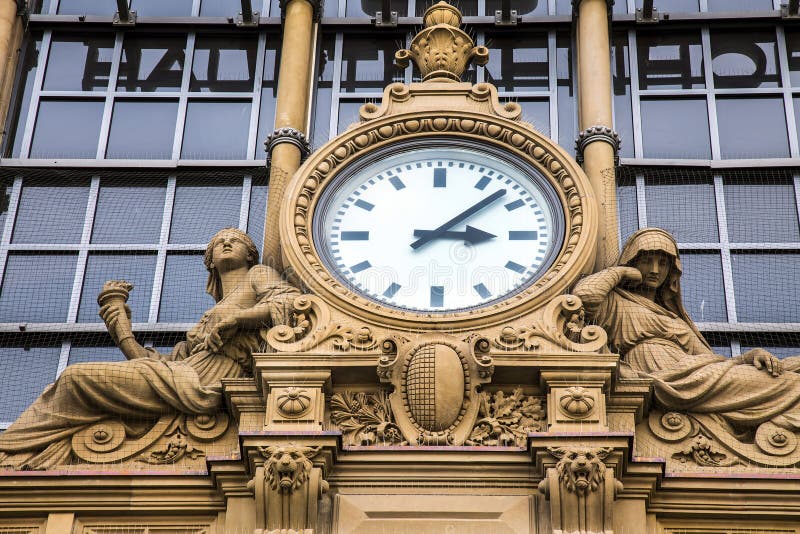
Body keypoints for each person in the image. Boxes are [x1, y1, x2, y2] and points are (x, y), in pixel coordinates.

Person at [0, 228, 301, 470]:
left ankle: (12, 449)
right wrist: (122, 332)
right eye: (218, 242)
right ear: (209, 261)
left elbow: (288, 303)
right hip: (184, 374)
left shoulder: (258, 275)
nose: (225, 243)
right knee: (74, 379)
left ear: (250, 253)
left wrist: (238, 318)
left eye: (235, 240)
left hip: (208, 380)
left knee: (74, 378)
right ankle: (22, 450)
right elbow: (160, 363)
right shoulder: (207, 320)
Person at [573, 227, 800, 433]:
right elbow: (584, 296)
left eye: (662, 264)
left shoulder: (676, 320)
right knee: (789, 385)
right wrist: (621, 273)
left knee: (788, 376)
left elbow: (710, 361)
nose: (654, 270)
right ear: (633, 262)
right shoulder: (617, 302)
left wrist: (749, 356)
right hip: (664, 377)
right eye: (647, 261)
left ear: (671, 270)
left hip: (694, 375)